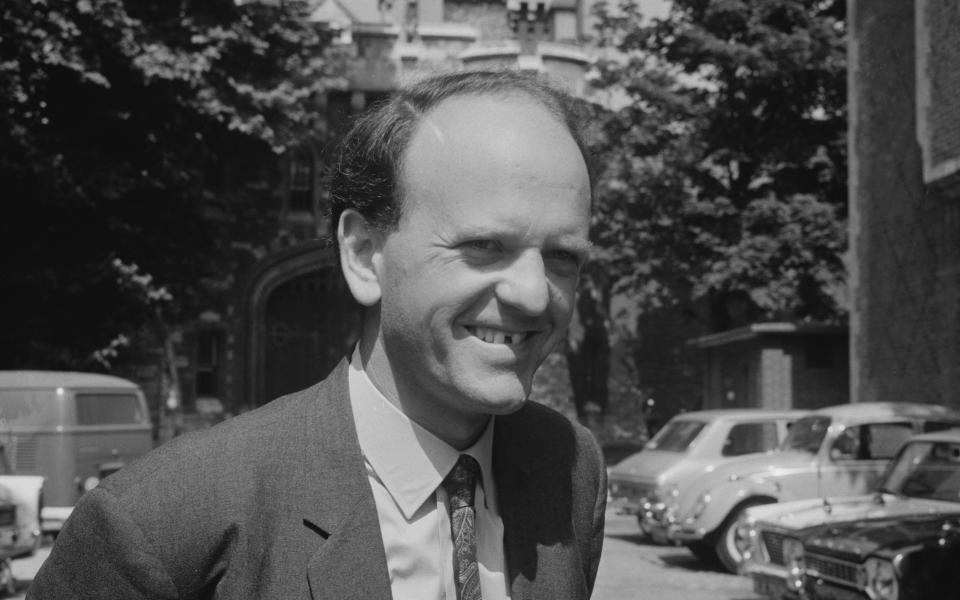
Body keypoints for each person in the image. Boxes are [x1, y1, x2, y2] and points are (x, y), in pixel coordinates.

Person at [28, 69, 607, 599]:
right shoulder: (160, 525)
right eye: (485, 247)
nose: (534, 294)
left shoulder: (570, 468)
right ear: (362, 254)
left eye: (563, 256)